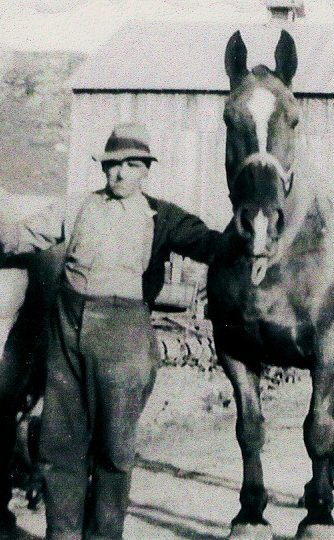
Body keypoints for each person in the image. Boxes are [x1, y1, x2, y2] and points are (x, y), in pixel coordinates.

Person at [0, 123, 241, 539]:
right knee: (61, 444)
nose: (121, 174)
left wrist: (252, 226)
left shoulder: (161, 216)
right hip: (66, 333)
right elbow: (18, 238)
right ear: (103, 168)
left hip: (124, 337)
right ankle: (62, 534)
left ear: (146, 169)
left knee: (114, 448)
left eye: (132, 165)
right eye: (113, 165)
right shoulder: (74, 207)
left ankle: (103, 535)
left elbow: (213, 245)